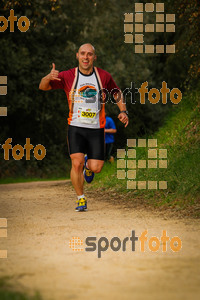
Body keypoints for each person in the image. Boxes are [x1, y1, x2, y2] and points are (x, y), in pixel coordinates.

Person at [39, 43, 129, 212]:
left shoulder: (103, 76)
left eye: (89, 54)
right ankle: (81, 198)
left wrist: (123, 111)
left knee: (97, 168)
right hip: (76, 127)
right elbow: (43, 87)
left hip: (96, 128)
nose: (86, 57)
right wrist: (48, 77)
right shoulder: (67, 76)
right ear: (77, 55)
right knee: (76, 163)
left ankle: (89, 167)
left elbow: (116, 92)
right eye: (83, 54)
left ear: (94, 57)